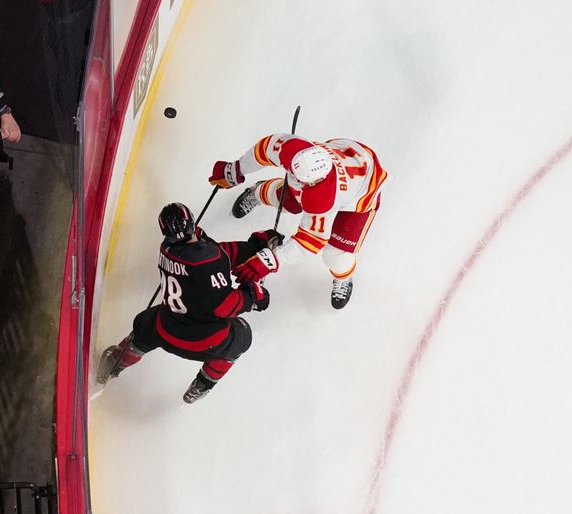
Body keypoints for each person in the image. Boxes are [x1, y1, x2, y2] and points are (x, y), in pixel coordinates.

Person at [96, 203, 280, 404]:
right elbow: (224, 305)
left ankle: (114, 362)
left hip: (165, 328)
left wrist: (253, 247)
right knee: (242, 336)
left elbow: (216, 252)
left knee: (146, 324)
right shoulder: (208, 258)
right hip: (201, 343)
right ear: (192, 223)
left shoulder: (167, 248)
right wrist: (255, 296)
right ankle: (204, 383)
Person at [209, 133, 389, 309]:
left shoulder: (322, 199)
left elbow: (310, 241)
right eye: (293, 174)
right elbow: (264, 150)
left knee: (335, 255)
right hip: (348, 154)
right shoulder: (294, 149)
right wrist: (236, 169)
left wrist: (270, 259)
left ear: (314, 182)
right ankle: (257, 192)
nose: (295, 180)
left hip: (363, 190)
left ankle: (343, 278)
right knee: (287, 200)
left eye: (301, 182)